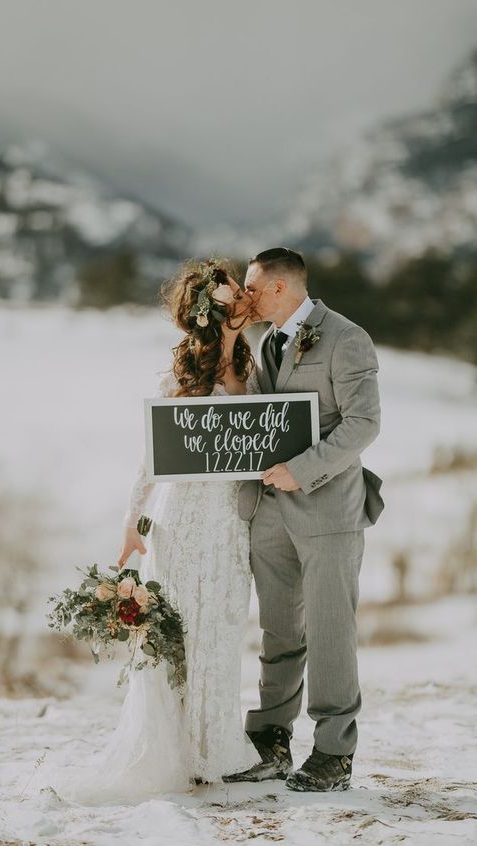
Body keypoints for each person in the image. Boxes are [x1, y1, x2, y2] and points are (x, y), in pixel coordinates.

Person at [48, 258, 262, 804]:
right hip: (182, 519)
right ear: (214, 310)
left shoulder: (257, 367)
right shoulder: (181, 377)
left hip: (230, 521)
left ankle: (214, 751)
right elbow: (151, 459)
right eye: (234, 291)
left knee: (221, 630)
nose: (244, 297)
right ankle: (172, 755)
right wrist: (131, 520)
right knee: (179, 637)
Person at [226, 247, 384, 792]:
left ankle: (333, 754)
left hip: (326, 506)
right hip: (267, 510)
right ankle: (270, 737)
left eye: (251, 286)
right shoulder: (262, 342)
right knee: (278, 630)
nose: (245, 295)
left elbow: (363, 424)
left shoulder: (346, 337)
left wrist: (302, 469)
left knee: (331, 630)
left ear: (278, 288)